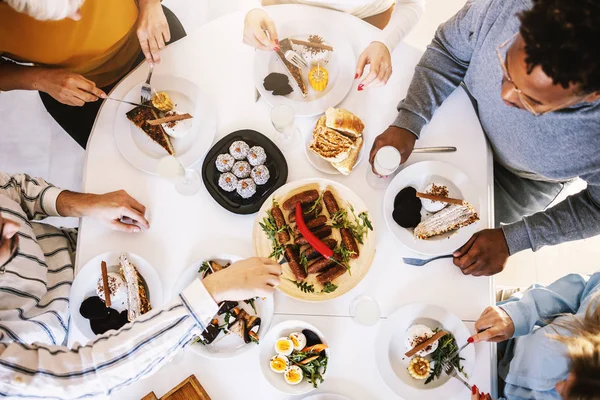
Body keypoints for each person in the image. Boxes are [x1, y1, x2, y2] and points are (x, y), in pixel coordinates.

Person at [369, 0, 600, 276]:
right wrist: (410, 119)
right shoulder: (506, 6)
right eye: (505, 68)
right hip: (462, 104)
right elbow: (449, 51)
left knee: (434, 260)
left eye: (531, 100)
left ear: (591, 96)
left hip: (519, 181)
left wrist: (514, 239)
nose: (504, 96)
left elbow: (596, 208)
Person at [0, 172, 281, 398]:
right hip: (97, 347)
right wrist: (213, 290)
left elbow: (12, 191)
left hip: (93, 244)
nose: (13, 227)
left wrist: (82, 203)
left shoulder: (8, 223)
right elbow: (84, 375)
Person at [0, 0, 186, 148]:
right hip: (74, 87)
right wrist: (41, 79)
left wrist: (150, 5)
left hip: (146, 35)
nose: (78, 16)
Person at [468, 273, 600, 399]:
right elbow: (581, 287)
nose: (558, 387)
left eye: (566, 397)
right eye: (569, 376)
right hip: (518, 320)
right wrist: (519, 315)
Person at [243, 0, 425, 90]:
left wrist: (385, 42)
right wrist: (251, 9)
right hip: (287, 9)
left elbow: (412, 3)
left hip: (364, 20)